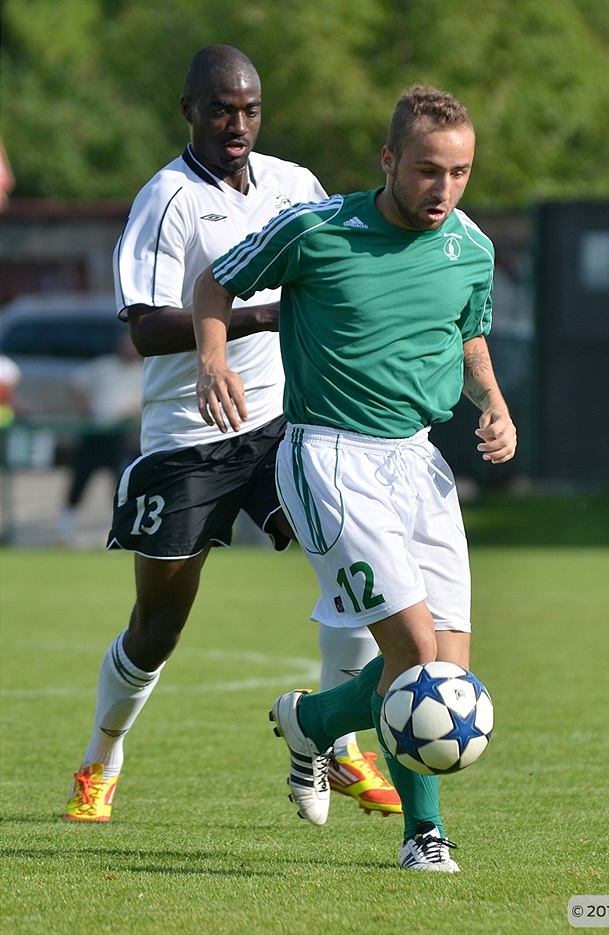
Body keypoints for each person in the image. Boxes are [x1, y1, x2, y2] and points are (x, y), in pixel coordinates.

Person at [64, 45, 400, 822]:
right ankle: (101, 755)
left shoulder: (293, 185)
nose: (237, 124)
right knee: (157, 627)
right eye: (221, 109)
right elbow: (145, 328)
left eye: (249, 109)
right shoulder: (168, 198)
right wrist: (260, 316)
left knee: (359, 569)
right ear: (189, 110)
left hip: (286, 425)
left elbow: (334, 266)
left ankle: (337, 743)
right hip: (187, 437)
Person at [192, 84, 517, 871]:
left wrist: (495, 404)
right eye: (427, 171)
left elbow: (469, 338)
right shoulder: (317, 229)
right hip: (330, 455)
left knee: (451, 669)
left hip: (420, 459)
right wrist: (211, 356)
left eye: (461, 172)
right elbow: (214, 284)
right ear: (388, 160)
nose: (444, 189)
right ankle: (423, 834)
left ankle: (313, 721)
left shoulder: (470, 247)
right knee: (414, 653)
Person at [55, 333, 142, 547]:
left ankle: (123, 529)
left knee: (122, 484)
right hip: (94, 433)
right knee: (80, 479)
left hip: (123, 437)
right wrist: (84, 406)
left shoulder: (145, 370)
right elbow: (76, 382)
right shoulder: (104, 365)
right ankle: (64, 529)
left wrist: (133, 410)